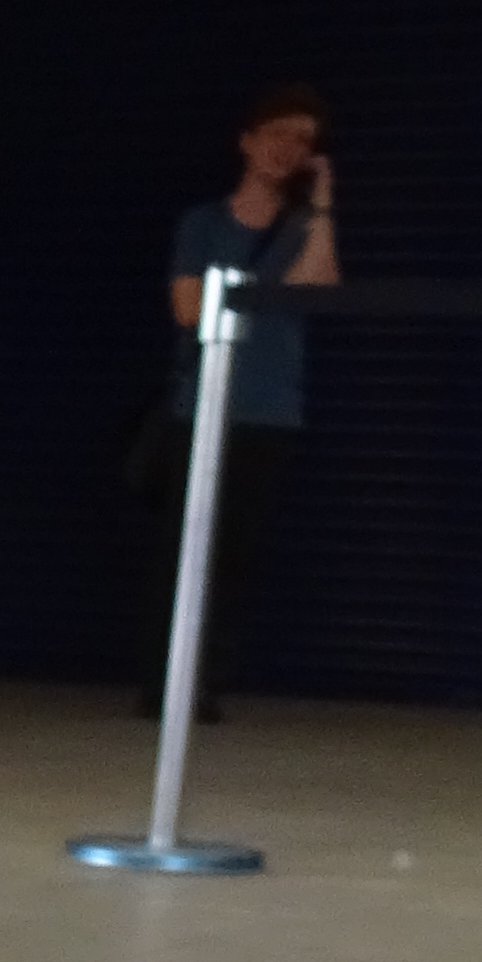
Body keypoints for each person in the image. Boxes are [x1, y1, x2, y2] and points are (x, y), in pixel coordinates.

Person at [147, 82, 341, 711]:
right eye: (279, 133)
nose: (290, 148)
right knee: (181, 549)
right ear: (248, 142)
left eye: (304, 140)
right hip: (200, 407)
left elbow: (318, 289)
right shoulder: (203, 223)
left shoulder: (302, 228)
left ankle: (208, 680)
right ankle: (162, 678)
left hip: (270, 410)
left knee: (239, 554)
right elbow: (187, 309)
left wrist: (322, 205)